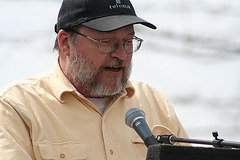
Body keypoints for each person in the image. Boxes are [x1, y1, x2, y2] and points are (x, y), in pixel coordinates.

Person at [0, 0, 189, 159]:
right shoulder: (17, 107)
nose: (122, 54)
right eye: (106, 42)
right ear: (65, 43)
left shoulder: (154, 102)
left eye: (128, 41)